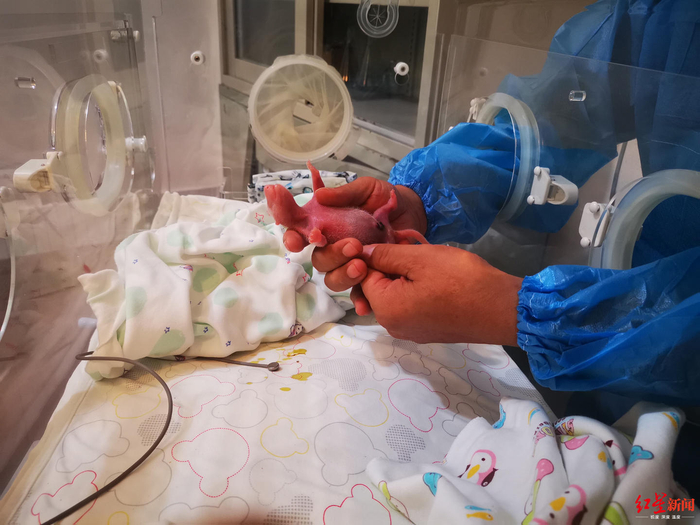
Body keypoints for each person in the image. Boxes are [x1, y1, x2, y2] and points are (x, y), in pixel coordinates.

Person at [284, 0, 700, 408]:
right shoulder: (668, 15)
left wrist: (507, 310)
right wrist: (417, 200)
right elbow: (559, 117)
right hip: (617, 351)